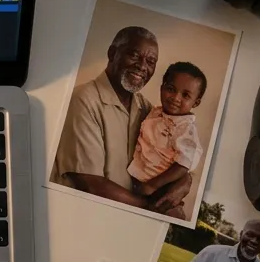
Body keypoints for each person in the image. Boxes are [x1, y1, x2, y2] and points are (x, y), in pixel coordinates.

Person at [49, 26, 193, 216]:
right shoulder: (83, 100)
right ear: (112, 53)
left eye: (150, 61)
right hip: (78, 214)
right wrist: (151, 209)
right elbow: (90, 184)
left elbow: (176, 155)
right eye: (134, 55)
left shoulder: (148, 110)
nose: (142, 66)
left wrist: (186, 180)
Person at [127, 62, 208, 218]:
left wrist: (153, 185)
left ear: (196, 102)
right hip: (137, 181)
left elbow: (183, 165)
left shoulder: (186, 130)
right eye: (171, 89)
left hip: (160, 189)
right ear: (162, 88)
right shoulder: (155, 112)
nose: (176, 98)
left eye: (185, 95)